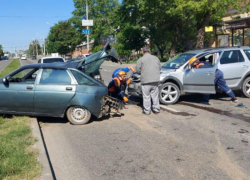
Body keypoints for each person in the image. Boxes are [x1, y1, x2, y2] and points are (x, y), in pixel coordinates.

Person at [136, 46, 161, 115]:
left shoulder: (141, 59)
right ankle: (156, 109)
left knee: (146, 96)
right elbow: (159, 68)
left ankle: (147, 111)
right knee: (155, 96)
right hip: (155, 80)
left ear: (143, 52)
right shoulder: (156, 58)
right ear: (149, 51)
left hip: (145, 81)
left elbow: (138, 70)